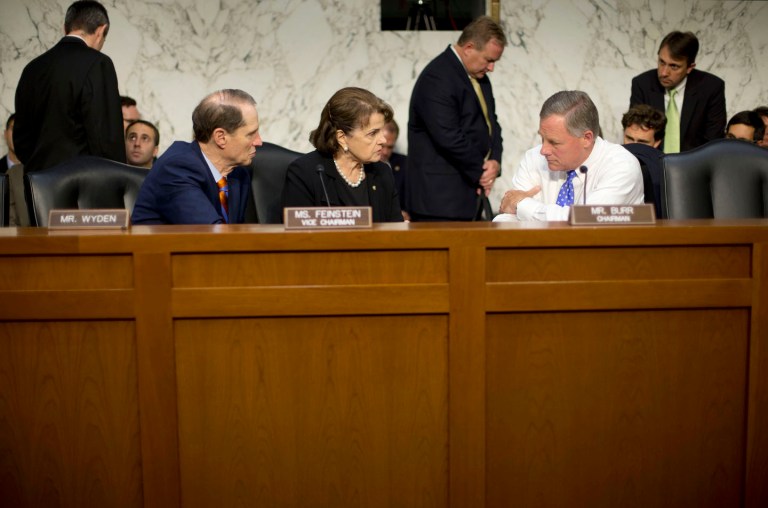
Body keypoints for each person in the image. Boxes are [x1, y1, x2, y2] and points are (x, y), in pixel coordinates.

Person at [406, 15, 505, 221]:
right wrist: (481, 172)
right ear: (469, 48)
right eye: (489, 60)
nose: (491, 68)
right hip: (439, 201)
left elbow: (491, 124)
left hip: (468, 193)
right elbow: (448, 136)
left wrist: (495, 161)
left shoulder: (481, 79)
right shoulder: (438, 77)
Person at [495, 91, 644, 222]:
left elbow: (587, 220)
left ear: (586, 138)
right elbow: (508, 216)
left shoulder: (622, 165)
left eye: (554, 142)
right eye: (542, 139)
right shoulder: (534, 158)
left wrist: (523, 205)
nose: (544, 150)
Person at [13, 0, 125, 173]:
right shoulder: (98, 63)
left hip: (37, 185)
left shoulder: (32, 68)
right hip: (81, 187)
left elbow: (21, 139)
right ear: (101, 30)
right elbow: (104, 137)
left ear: (65, 28)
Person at [131, 89, 261, 225]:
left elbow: (240, 233)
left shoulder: (238, 173)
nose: (259, 141)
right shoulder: (176, 169)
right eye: (250, 134)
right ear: (221, 138)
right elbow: (210, 235)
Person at [282, 87, 403, 223]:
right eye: (372, 133)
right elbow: (299, 238)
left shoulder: (382, 172)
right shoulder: (305, 173)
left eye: (381, 131)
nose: (383, 140)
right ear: (342, 137)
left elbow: (395, 232)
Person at [630, 31, 725, 153]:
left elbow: (713, 141)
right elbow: (636, 133)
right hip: (651, 162)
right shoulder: (642, 84)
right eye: (661, 62)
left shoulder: (711, 88)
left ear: (690, 67)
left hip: (696, 165)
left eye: (674, 66)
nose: (664, 73)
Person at [381, 119, 409, 220]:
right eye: (382, 146)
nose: (385, 152)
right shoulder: (361, 165)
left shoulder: (404, 163)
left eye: (390, 147)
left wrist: (406, 212)